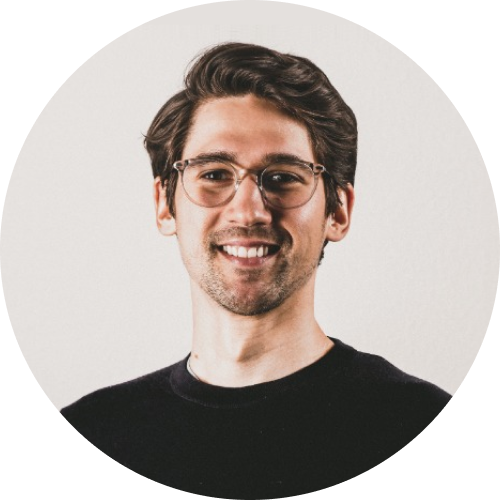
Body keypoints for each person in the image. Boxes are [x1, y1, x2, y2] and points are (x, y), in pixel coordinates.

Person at [61, 42, 451, 497]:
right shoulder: (92, 430)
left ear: (338, 211)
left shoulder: (415, 422)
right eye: (213, 174)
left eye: (284, 176)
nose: (248, 211)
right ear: (164, 205)